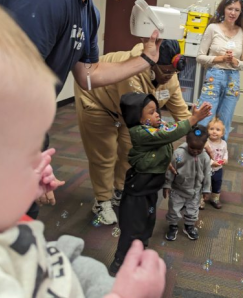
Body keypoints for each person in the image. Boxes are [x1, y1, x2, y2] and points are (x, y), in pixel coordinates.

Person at [0, 0, 165, 298]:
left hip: (40, 261)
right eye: (22, 152)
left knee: (88, 268)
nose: (41, 158)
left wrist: (19, 187)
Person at [0, 0, 159, 214]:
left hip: (24, 130)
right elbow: (5, 90)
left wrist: (146, 58)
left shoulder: (88, 10)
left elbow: (89, 75)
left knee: (20, 230)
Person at [74, 40, 191, 225]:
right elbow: (144, 127)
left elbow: (181, 113)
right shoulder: (131, 76)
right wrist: (163, 153)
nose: (171, 76)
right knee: (105, 153)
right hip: (96, 99)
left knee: (130, 151)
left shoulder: (170, 76)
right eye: (167, 71)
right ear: (152, 65)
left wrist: (201, 140)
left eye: (174, 71)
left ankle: (120, 189)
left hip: (129, 111)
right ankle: (102, 200)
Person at [109, 92, 212, 275]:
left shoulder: (155, 126)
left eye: (156, 110)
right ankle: (119, 265)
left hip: (150, 188)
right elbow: (170, 133)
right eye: (150, 112)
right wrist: (193, 117)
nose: (157, 114)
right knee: (133, 228)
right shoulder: (140, 132)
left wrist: (166, 165)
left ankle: (139, 256)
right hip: (138, 190)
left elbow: (171, 129)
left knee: (147, 223)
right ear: (137, 118)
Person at [196, 0, 243, 140]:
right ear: (223, 9)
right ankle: (198, 151)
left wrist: (236, 62)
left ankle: (218, 157)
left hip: (233, 79)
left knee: (225, 121)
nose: (233, 13)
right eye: (230, 8)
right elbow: (200, 57)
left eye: (237, 10)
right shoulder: (213, 28)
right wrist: (220, 58)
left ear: (241, 13)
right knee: (204, 117)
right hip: (214, 75)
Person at [163, 125, 211, 241]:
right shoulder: (179, 154)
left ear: (204, 145)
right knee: (174, 209)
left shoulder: (205, 157)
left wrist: (206, 189)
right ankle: (173, 226)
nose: (195, 151)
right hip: (178, 189)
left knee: (193, 210)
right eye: (192, 148)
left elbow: (207, 174)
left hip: (195, 191)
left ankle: (189, 226)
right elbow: (170, 170)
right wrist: (167, 185)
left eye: (198, 149)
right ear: (187, 141)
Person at [203, 117, 229, 209]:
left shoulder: (224, 144)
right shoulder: (206, 143)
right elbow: (203, 156)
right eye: (211, 129)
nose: (214, 131)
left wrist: (225, 159)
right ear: (207, 131)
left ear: (222, 133)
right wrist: (211, 162)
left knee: (217, 183)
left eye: (218, 130)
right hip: (206, 169)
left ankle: (214, 199)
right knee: (204, 183)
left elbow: (225, 152)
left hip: (218, 169)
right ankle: (200, 199)